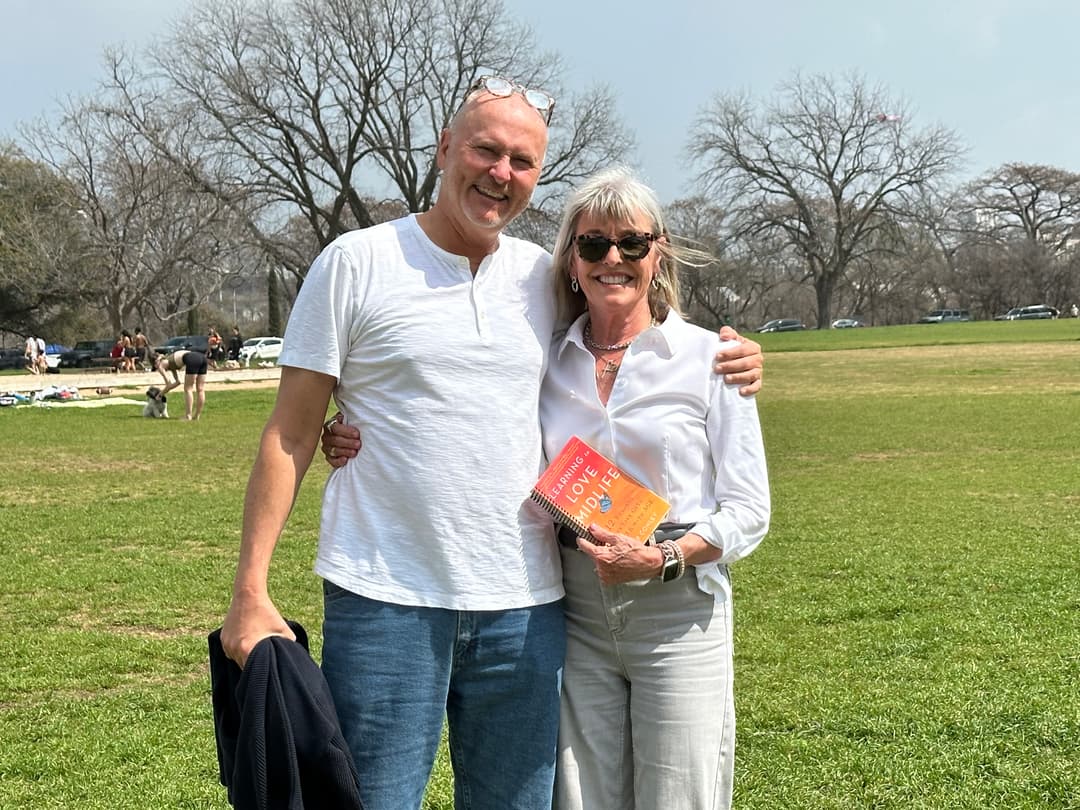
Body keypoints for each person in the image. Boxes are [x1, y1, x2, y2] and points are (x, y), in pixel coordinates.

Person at [220, 76, 763, 810]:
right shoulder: (356, 262)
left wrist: (729, 352)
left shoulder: (540, 279)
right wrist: (250, 590)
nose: (501, 174)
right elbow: (288, 431)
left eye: (523, 161)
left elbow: (627, 309)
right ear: (445, 148)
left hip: (528, 606)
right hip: (386, 599)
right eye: (486, 150)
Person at [544, 168, 769, 809]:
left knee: (680, 795)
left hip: (679, 607)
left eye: (631, 244)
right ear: (570, 261)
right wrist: (352, 428)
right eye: (593, 244)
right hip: (576, 607)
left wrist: (664, 557)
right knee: (582, 797)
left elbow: (750, 511)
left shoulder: (710, 360)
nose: (612, 259)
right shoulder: (545, 360)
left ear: (657, 251)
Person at [154, 349, 207, 420]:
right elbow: (177, 382)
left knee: (188, 389)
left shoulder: (160, 366)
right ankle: (197, 416)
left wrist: (160, 395)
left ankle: (188, 416)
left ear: (156, 363)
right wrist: (162, 394)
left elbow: (168, 384)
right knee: (200, 389)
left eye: (155, 367)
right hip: (202, 357)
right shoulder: (170, 362)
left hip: (192, 358)